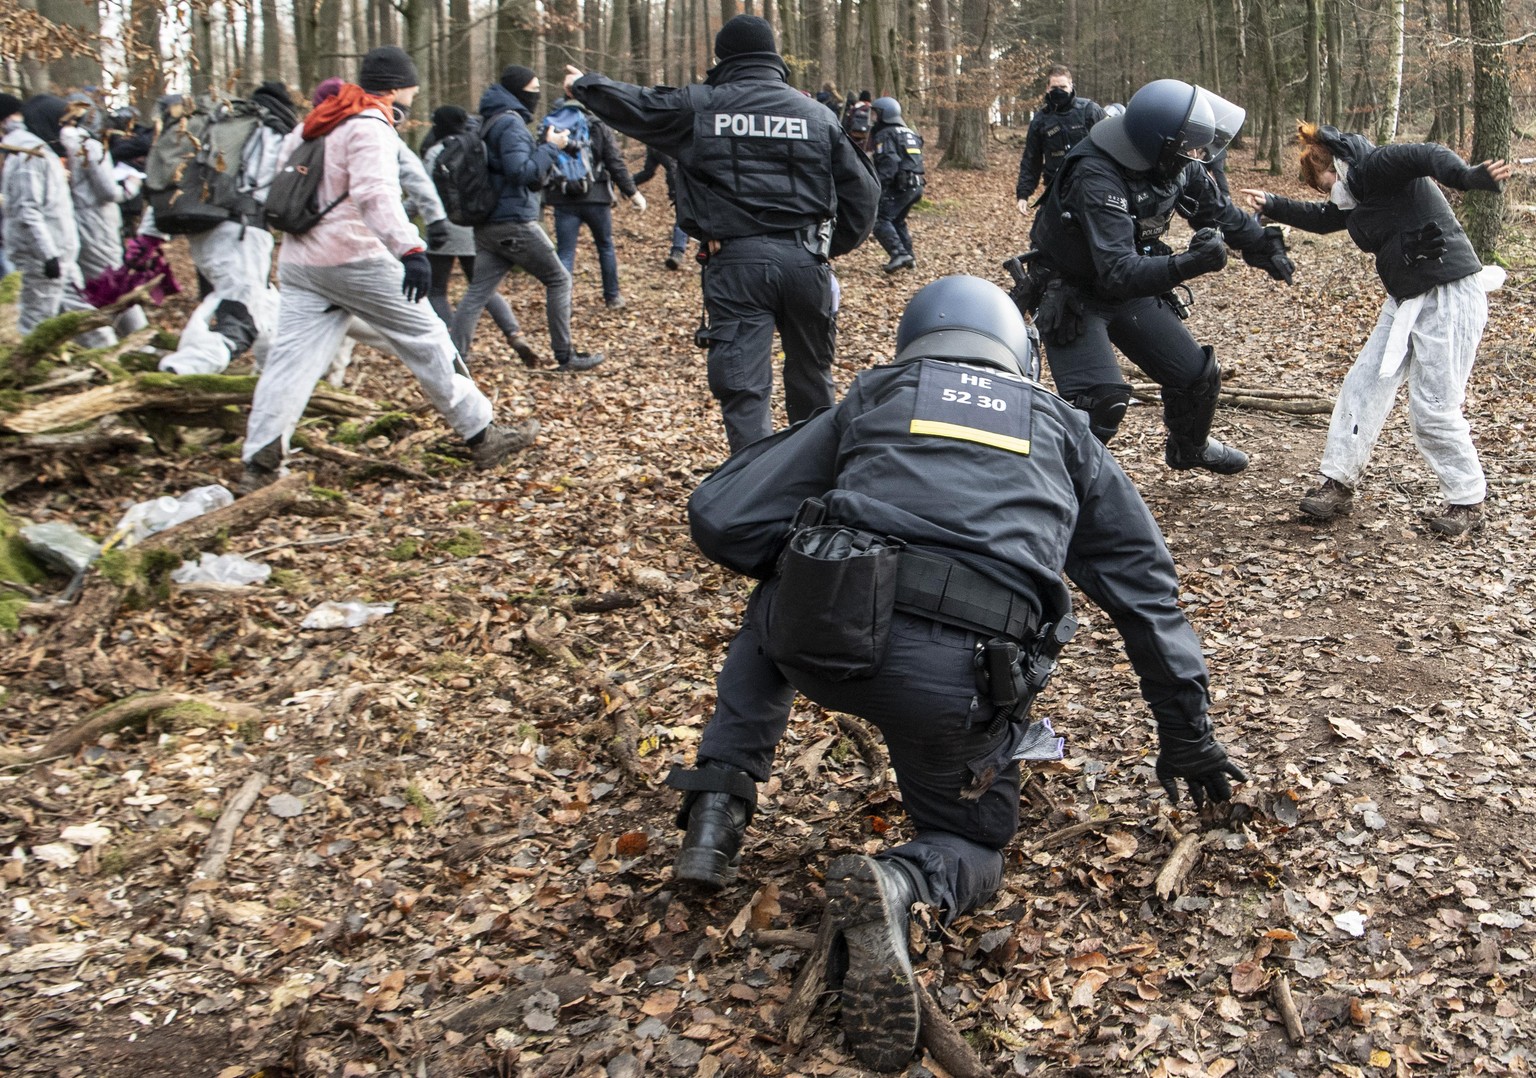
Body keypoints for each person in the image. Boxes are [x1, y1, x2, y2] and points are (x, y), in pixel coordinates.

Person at [672, 274, 1247, 1069]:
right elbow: (1145, 593)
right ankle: (907, 882)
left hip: (822, 639)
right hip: (962, 677)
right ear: (1019, 354)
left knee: (783, 586)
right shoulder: (1064, 428)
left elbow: (722, 515)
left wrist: (823, 559)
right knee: (974, 840)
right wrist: (1188, 734)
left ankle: (717, 809)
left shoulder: (879, 393)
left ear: (920, 340)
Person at [563, 14, 880, 452]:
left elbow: (639, 104)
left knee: (745, 392)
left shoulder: (701, 106)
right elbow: (864, 192)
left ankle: (753, 500)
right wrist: (826, 246)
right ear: (774, 57)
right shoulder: (817, 114)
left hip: (736, 267)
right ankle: (813, 491)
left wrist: (585, 86)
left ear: (723, 58)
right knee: (812, 382)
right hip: (806, 263)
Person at [241, 46, 537, 491]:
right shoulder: (369, 124)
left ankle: (260, 461)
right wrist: (410, 250)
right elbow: (374, 195)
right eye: (411, 85)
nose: (415, 94)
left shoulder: (313, 122)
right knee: (429, 338)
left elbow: (272, 183)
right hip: (354, 258)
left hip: (300, 260)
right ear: (397, 86)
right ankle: (483, 433)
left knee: (289, 362)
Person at [1240, 124, 1511, 536]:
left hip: (1449, 293)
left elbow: (1426, 153)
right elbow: (1323, 218)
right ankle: (1338, 481)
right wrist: (1272, 203)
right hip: (1405, 298)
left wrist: (1466, 176)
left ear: (1331, 165)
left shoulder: (1376, 167)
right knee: (1362, 386)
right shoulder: (1357, 196)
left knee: (1434, 406)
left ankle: (1467, 501)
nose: (1324, 190)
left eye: (1322, 180)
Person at [1024, 78, 1294, 472]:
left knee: (1197, 377)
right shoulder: (1096, 173)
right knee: (1099, 402)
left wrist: (1261, 244)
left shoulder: (1177, 164)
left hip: (1129, 286)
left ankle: (1190, 448)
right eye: (1190, 145)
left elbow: (1217, 210)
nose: (1198, 153)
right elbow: (1117, 270)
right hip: (1071, 292)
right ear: (1160, 143)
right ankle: (1051, 485)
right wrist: (1191, 263)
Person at [450, 65, 603, 373]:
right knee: (559, 279)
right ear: (519, 92)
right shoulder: (511, 124)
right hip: (513, 222)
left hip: (487, 223)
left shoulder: (489, 120)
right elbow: (522, 172)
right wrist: (550, 147)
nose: (536, 96)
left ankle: (454, 359)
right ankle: (565, 355)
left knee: (478, 291)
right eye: (533, 91)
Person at [153, 81, 297, 375]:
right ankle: (185, 371)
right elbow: (269, 185)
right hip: (242, 231)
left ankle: (271, 381)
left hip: (207, 226)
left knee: (265, 305)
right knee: (241, 316)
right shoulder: (271, 129)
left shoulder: (225, 126)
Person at [414, 105, 541, 364]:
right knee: (483, 288)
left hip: (444, 227)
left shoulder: (437, 152)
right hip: (477, 226)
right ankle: (515, 334)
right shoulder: (478, 147)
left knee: (437, 290)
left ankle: (452, 345)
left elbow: (422, 193)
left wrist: (403, 214)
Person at [1, 94, 116, 349]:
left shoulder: (41, 152)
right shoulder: (28, 156)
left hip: (61, 255)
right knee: (36, 325)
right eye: (63, 124)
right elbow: (27, 211)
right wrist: (48, 255)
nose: (66, 132)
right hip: (44, 258)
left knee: (82, 317)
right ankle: (22, 377)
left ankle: (114, 356)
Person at [543, 95, 646, 310]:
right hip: (596, 197)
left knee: (565, 252)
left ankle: (562, 305)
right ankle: (613, 297)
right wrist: (633, 193)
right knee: (605, 246)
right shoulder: (596, 124)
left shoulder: (551, 126)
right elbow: (614, 161)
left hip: (563, 199)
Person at [1015, 64, 1105, 213]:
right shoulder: (1040, 121)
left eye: (1063, 87)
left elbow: (1110, 146)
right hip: (1056, 189)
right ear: (1047, 89)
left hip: (1091, 186)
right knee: (1044, 234)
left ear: (1071, 86)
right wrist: (1023, 194)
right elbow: (1031, 160)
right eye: (1054, 88)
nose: (1058, 91)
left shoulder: (1090, 111)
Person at [60, 93, 128, 286]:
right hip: (98, 221)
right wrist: (130, 188)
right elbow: (108, 191)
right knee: (111, 280)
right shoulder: (90, 146)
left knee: (89, 281)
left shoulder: (60, 146)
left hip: (74, 220)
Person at [869, 95, 924, 273]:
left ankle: (898, 253)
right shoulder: (908, 131)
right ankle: (909, 256)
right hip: (915, 185)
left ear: (885, 114)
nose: (873, 118)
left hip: (900, 185)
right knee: (898, 220)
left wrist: (879, 187)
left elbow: (889, 163)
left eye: (875, 114)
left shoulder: (886, 134)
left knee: (880, 219)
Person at [633, 144, 691, 269]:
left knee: (686, 216)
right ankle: (677, 252)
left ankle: (681, 247)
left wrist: (629, 184)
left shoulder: (658, 140)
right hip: (683, 184)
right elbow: (672, 166)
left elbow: (648, 172)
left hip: (684, 181)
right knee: (683, 216)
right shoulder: (670, 139)